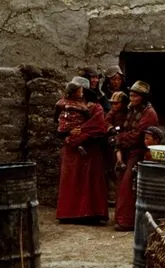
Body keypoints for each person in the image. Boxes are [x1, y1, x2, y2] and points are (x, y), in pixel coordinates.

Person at [53, 76, 110, 225]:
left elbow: (98, 126)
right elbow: (59, 123)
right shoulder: (65, 105)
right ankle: (69, 213)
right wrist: (68, 134)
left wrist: (79, 134)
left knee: (89, 182)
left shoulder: (94, 107)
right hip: (71, 150)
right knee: (71, 180)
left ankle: (91, 214)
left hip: (89, 149)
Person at [112, 80, 159, 231]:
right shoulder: (131, 109)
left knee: (129, 187)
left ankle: (128, 221)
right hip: (127, 152)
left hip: (138, 153)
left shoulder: (149, 113)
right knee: (122, 185)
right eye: (131, 95)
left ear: (143, 97)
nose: (132, 98)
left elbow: (137, 135)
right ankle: (122, 219)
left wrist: (120, 139)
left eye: (135, 95)